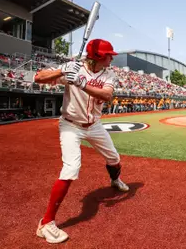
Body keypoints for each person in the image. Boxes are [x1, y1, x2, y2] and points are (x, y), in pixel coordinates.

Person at [33, 39, 129, 244]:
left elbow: (108, 95)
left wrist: (81, 82)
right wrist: (62, 72)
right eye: (109, 55)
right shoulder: (71, 68)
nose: (112, 58)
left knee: (114, 158)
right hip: (70, 126)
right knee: (71, 167)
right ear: (98, 57)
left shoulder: (109, 74)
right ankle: (46, 223)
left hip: (94, 125)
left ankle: (114, 179)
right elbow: (38, 77)